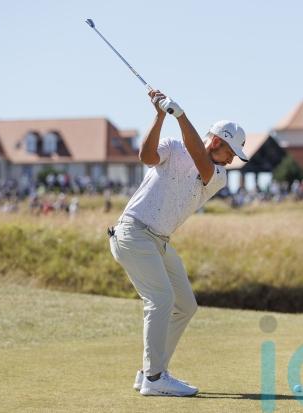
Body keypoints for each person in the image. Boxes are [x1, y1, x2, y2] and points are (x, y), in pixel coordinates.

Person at [108, 89, 247, 397]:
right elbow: (146, 157)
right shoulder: (172, 147)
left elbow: (200, 159)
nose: (232, 160)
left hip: (159, 241)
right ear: (217, 142)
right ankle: (155, 378)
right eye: (231, 152)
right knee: (160, 300)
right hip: (133, 233)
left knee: (185, 305)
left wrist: (181, 116)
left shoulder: (218, 174)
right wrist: (160, 116)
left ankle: (150, 371)